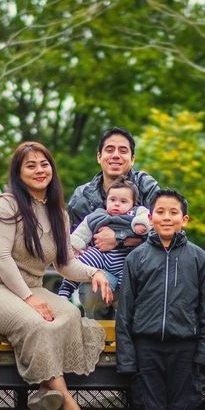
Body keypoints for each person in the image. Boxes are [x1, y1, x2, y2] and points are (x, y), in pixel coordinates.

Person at [0, 141, 113, 410]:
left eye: (44, 164)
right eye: (30, 165)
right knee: (35, 323)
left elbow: (64, 264)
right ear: (18, 173)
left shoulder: (58, 212)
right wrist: (29, 298)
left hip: (30, 286)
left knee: (69, 314)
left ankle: (45, 389)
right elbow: (1, 257)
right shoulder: (5, 205)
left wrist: (95, 272)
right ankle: (67, 400)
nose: (40, 170)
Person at [116, 189, 205, 410]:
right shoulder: (136, 257)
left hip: (185, 348)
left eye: (173, 213)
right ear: (150, 217)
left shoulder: (198, 258)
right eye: (160, 212)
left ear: (184, 220)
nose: (166, 217)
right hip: (146, 348)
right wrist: (127, 358)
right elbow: (125, 311)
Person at [67, 127, 160, 318]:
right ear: (99, 156)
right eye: (109, 150)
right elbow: (75, 245)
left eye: (123, 151)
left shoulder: (146, 186)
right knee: (93, 292)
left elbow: (163, 232)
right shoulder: (81, 197)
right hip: (99, 271)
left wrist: (119, 238)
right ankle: (99, 342)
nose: (116, 155)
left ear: (132, 159)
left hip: (140, 270)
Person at [57, 176, 150, 300]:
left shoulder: (135, 212)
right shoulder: (98, 215)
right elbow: (82, 232)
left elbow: (146, 217)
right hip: (100, 256)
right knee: (83, 261)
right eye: (113, 200)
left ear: (133, 203)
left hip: (124, 258)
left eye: (123, 201)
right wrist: (73, 245)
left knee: (130, 280)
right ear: (106, 201)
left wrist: (141, 224)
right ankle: (65, 289)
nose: (117, 204)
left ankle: (126, 307)